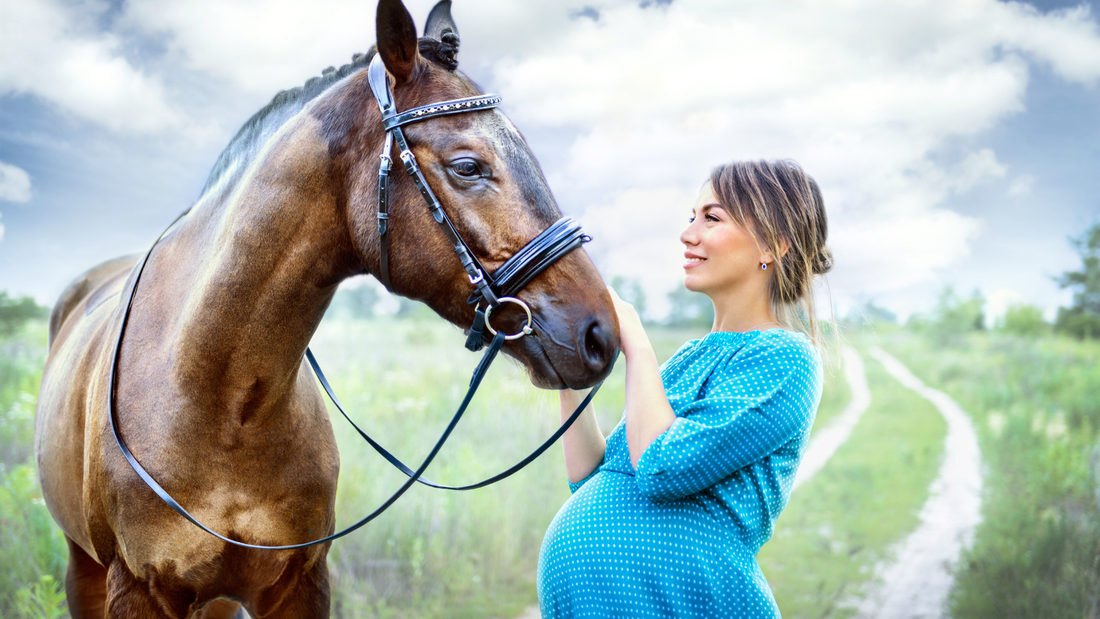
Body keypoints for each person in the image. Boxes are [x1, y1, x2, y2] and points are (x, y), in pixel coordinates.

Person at [538, 159, 833, 618]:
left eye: (711, 218)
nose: (688, 234)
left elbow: (660, 468)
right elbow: (591, 478)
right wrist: (565, 378)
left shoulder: (785, 358)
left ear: (774, 245)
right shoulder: (691, 357)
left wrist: (635, 342)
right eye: (691, 217)